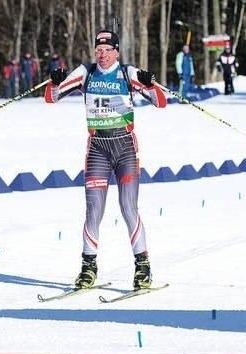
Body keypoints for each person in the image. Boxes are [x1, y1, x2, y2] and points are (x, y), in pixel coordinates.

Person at [44, 30, 167, 290]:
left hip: (124, 147)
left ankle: (142, 267)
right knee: (93, 210)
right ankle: (88, 267)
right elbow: (51, 98)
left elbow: (161, 102)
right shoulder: (85, 73)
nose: (102, 55)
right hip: (98, 148)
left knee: (128, 206)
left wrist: (148, 84)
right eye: (98, 50)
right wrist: (55, 82)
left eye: (107, 50)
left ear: (116, 52)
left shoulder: (127, 73)